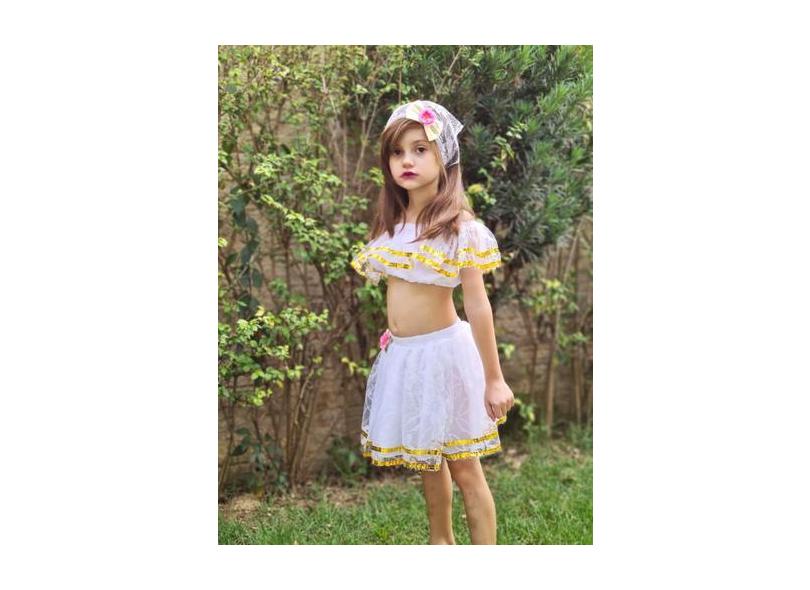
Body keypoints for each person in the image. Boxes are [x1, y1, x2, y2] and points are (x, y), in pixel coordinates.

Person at [350, 99, 515, 545]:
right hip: (405, 357)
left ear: (443, 158)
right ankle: (440, 543)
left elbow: (477, 306)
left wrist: (494, 379)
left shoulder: (459, 228)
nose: (407, 160)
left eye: (420, 150)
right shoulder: (393, 226)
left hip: (444, 356)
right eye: (397, 152)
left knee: (464, 466)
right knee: (427, 459)